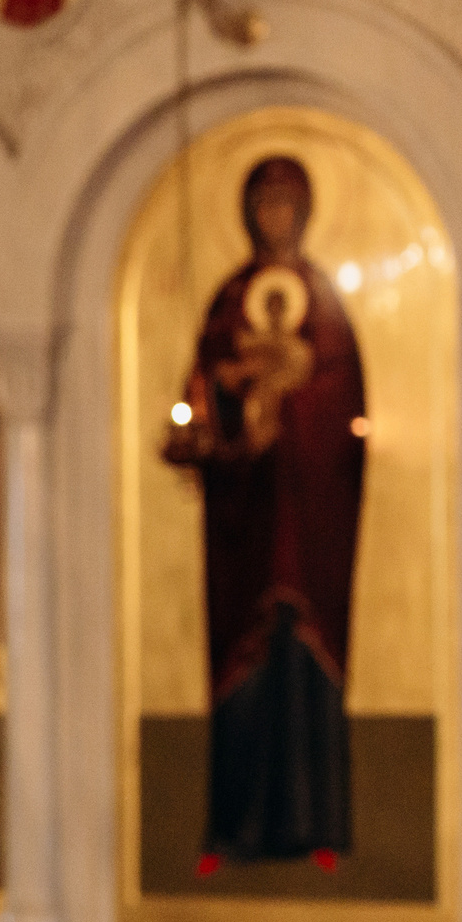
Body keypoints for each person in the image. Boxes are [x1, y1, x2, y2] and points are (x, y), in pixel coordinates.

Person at [161, 156, 366, 872]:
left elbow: (346, 398)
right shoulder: (228, 301)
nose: (276, 216)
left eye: (287, 204)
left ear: (304, 213)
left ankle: (318, 826)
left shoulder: (327, 306)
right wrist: (228, 389)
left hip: (311, 519)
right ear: (249, 214)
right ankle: (234, 831)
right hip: (243, 520)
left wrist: (299, 393)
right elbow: (199, 394)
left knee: (305, 656)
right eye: (265, 204)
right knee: (242, 659)